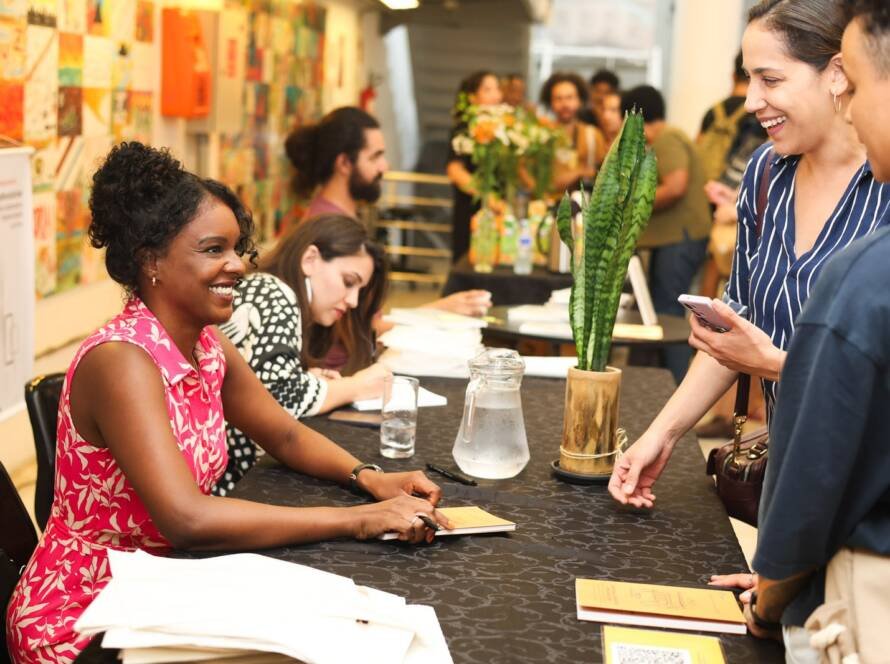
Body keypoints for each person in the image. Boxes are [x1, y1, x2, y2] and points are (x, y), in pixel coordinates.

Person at [4, 143, 448, 663]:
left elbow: (282, 433)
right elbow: (187, 519)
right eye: (214, 249)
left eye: (237, 248)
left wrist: (368, 477)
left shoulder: (206, 343)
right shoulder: (122, 359)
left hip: (168, 587)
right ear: (152, 260)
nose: (237, 265)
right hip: (89, 616)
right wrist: (358, 519)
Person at [608, 0, 890, 511]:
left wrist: (778, 364)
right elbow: (734, 328)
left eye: (771, 79)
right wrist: (663, 434)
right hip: (793, 478)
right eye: (748, 79)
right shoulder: (765, 174)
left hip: (869, 496)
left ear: (837, 73)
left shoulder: (884, 188)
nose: (751, 101)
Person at [709, 1, 890, 659]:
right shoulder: (766, 175)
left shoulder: (869, 269)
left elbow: (831, 454)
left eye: (860, 86)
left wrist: (771, 594)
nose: (850, 107)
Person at [214, 214, 391, 495]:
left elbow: (260, 385)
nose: (353, 301)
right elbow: (280, 399)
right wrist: (354, 387)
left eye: (360, 290)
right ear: (310, 259)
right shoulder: (275, 291)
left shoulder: (265, 287)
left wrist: (306, 379)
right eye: (348, 281)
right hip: (229, 486)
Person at [287, 106, 491, 316]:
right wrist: (440, 309)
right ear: (345, 163)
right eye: (375, 157)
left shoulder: (337, 218)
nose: (385, 166)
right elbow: (366, 332)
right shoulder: (328, 230)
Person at [621, 84, 711, 383]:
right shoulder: (668, 137)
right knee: (661, 310)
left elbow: (675, 187)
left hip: (680, 239)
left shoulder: (667, 139)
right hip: (674, 239)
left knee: (669, 313)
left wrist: (631, 203)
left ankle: (677, 384)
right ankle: (658, 381)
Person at [446, 70, 504, 263]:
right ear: (472, 97)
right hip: (470, 209)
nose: (496, 95)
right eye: (488, 90)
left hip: (498, 212)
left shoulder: (503, 129)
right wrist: (487, 196)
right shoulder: (464, 128)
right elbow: (455, 171)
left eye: (497, 88)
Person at [538, 71, 607, 195]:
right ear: (551, 103)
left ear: (580, 100)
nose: (564, 104)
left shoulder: (593, 134)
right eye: (558, 98)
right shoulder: (542, 135)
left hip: (584, 207)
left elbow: (604, 174)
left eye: (570, 98)